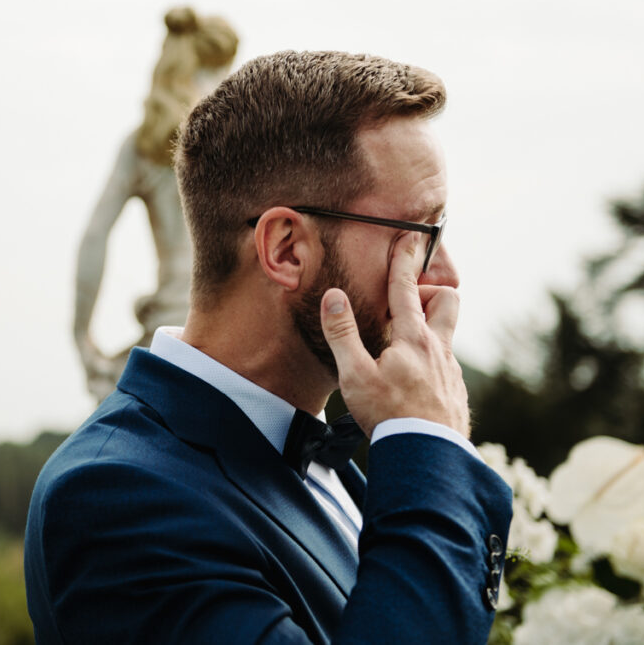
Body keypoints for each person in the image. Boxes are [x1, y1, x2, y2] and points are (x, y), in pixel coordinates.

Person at [26, 50, 513, 644]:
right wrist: (428, 444)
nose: (447, 277)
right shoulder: (117, 499)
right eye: (417, 236)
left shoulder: (329, 467)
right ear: (286, 250)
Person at [73, 7, 238, 401]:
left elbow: (95, 237)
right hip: (236, 328)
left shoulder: (143, 142)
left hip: (170, 327)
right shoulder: (240, 140)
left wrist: (81, 335)